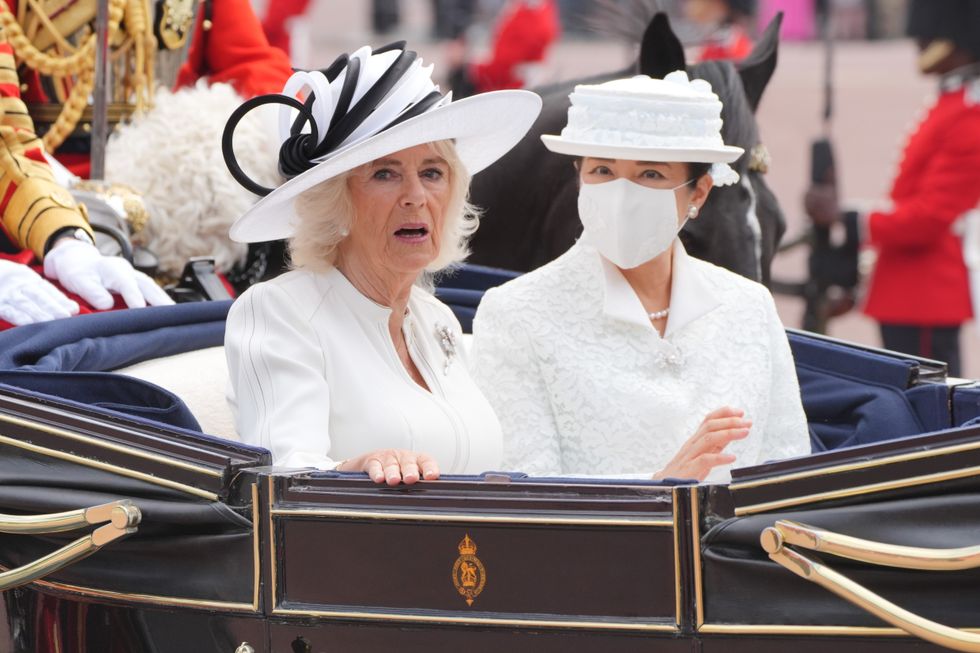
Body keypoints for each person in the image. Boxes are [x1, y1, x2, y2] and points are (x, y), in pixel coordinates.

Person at [222, 43, 541, 484]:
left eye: (432, 173)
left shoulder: (437, 318)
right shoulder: (279, 311)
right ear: (337, 204)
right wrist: (354, 468)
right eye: (385, 174)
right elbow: (281, 475)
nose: (416, 196)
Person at [470, 71, 809, 481]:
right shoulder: (515, 314)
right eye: (601, 171)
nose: (621, 194)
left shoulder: (749, 306)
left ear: (698, 192)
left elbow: (789, 467)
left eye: (651, 175)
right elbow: (527, 497)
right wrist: (660, 490)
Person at [805, 0, 980, 377]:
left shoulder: (971, 116)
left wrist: (845, 217)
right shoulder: (951, 103)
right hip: (907, 294)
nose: (920, 42)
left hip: (926, 298)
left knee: (931, 418)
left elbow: (929, 218)